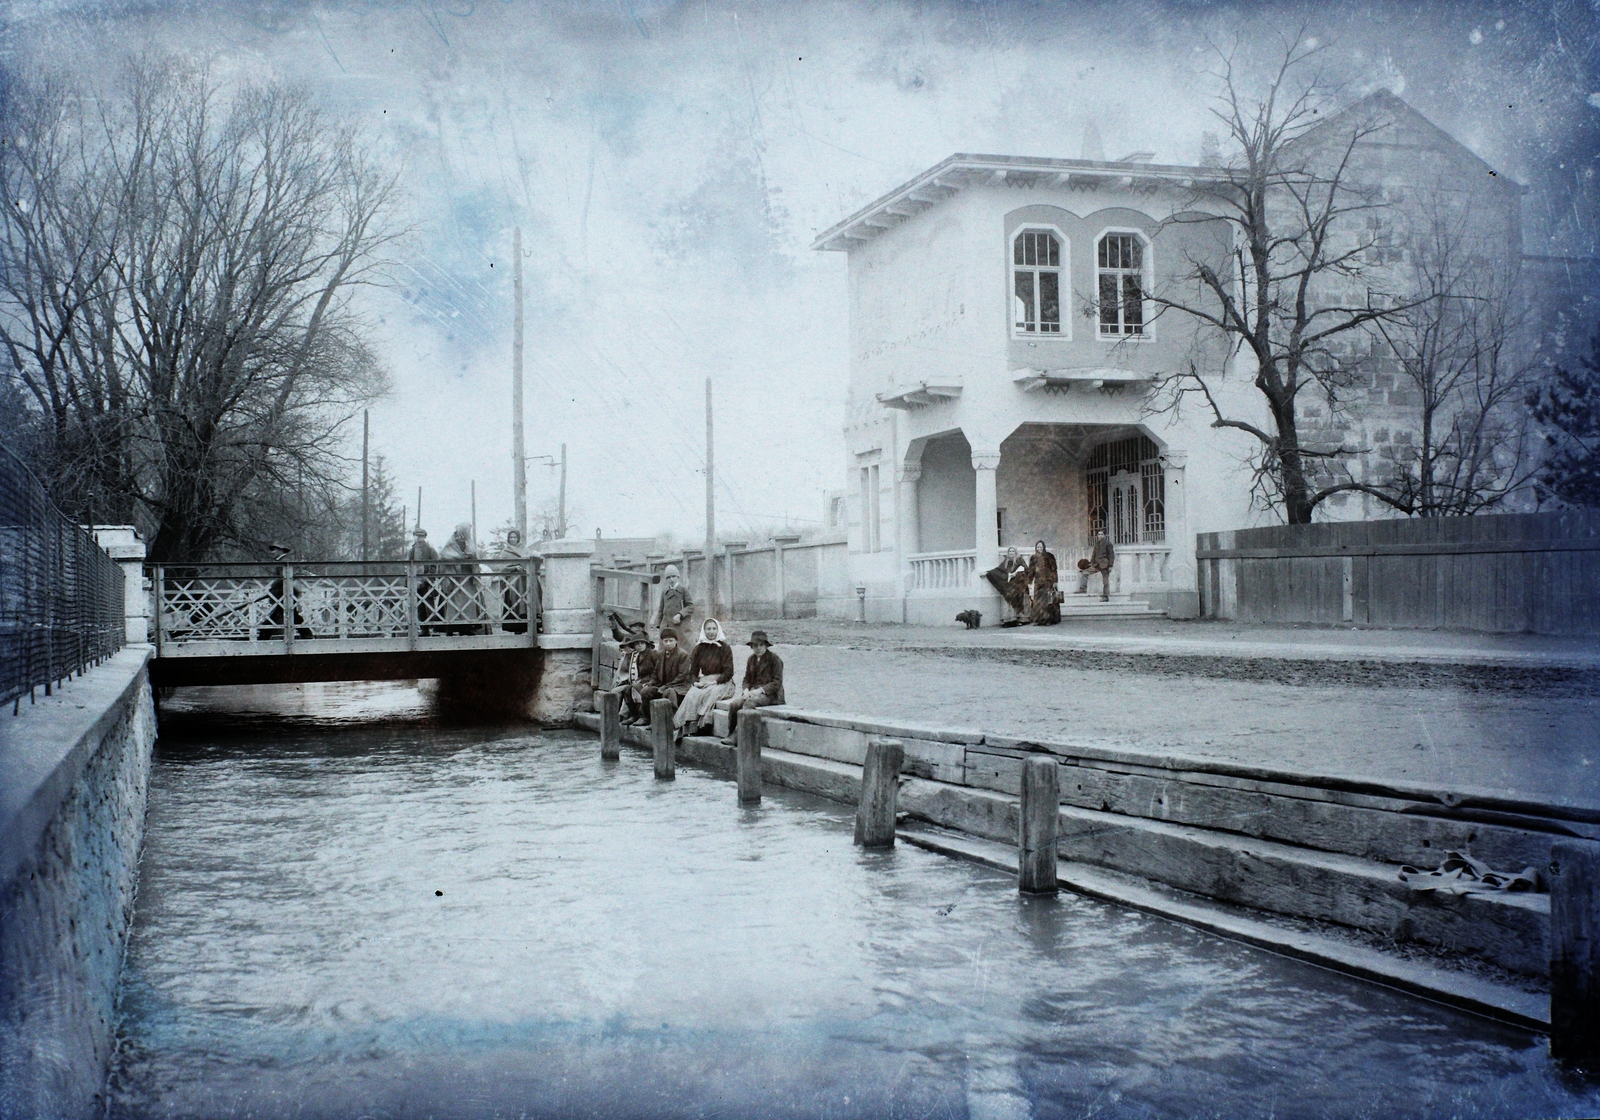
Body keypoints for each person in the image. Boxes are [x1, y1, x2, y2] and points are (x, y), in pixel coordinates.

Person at [673, 617, 735, 739]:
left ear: (718, 630)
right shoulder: (699, 648)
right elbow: (693, 672)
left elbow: (729, 672)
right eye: (708, 629)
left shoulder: (725, 648)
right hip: (705, 680)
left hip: (722, 682)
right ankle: (687, 727)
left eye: (714, 628)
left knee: (711, 693)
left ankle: (703, 726)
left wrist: (714, 682)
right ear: (704, 630)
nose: (711, 631)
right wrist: (695, 683)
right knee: (692, 694)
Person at [720, 630, 785, 745]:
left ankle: (738, 735)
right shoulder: (751, 659)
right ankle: (731, 733)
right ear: (751, 647)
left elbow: (777, 682)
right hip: (753, 691)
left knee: (749, 703)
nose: (758, 648)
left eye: (761, 645)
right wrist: (745, 690)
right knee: (734, 704)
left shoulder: (775, 659)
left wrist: (760, 690)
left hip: (771, 695)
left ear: (766, 646)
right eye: (755, 646)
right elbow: (747, 679)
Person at [438, 522, 486, 634]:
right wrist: (459, 558)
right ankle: (452, 627)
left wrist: (471, 559)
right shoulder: (452, 542)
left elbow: (474, 555)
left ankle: (467, 627)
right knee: (454, 601)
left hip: (467, 576)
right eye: (467, 530)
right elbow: (445, 555)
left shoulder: (470, 542)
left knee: (469, 601)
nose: (468, 532)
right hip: (454, 577)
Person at [639, 628, 693, 714]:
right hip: (662, 686)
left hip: (679, 687)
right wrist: (650, 683)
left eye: (671, 641)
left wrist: (667, 686)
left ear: (676, 641)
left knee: (669, 692)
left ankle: (671, 719)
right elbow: (655, 673)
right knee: (646, 691)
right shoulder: (660, 654)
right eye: (665, 641)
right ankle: (648, 718)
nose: (668, 644)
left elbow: (682, 676)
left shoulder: (683, 655)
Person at [611, 633, 657, 725]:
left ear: (646, 644)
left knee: (641, 689)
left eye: (642, 643)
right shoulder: (637, 656)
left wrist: (647, 682)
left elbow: (657, 671)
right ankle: (634, 715)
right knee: (628, 689)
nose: (639, 645)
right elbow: (640, 673)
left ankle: (644, 717)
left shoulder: (653, 654)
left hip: (654, 682)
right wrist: (639, 680)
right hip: (643, 681)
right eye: (637, 644)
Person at [984, 546, 1031, 627]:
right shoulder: (1006, 561)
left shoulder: (1020, 560)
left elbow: (1026, 571)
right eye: (1010, 551)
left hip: (1018, 585)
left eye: (1013, 551)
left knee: (1017, 595)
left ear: (1016, 552)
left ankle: (1020, 619)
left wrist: (1016, 574)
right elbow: (999, 570)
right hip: (1009, 584)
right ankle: (1008, 620)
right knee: (1006, 595)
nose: (1011, 553)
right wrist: (988, 573)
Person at [409, 527, 441, 634]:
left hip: (427, 582)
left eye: (419, 537)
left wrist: (429, 577)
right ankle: (424, 628)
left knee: (429, 605)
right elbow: (409, 565)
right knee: (419, 606)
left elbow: (435, 565)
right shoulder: (413, 550)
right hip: (416, 582)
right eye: (417, 536)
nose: (418, 539)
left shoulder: (430, 549)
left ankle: (433, 628)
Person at [652, 564, 694, 640]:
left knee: (684, 646)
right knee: (665, 646)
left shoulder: (683, 590)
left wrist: (680, 614)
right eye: (668, 577)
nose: (671, 579)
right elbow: (661, 609)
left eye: (673, 576)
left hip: (680, 624)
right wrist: (658, 624)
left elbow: (690, 606)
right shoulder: (665, 591)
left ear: (678, 577)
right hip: (666, 625)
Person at [1027, 539, 1061, 625]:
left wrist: (1055, 581)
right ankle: (1039, 620)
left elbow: (1054, 569)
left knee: (1048, 601)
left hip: (1048, 581)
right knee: (1038, 602)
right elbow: (1031, 570)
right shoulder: (1033, 557)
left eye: (1041, 547)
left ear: (1044, 547)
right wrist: (1029, 581)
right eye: (1038, 547)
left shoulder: (1049, 556)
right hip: (1038, 582)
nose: (1039, 548)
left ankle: (1048, 620)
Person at [1089, 529, 1115, 601]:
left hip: (1104, 564)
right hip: (1096, 564)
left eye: (1101, 534)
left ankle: (1106, 596)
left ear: (1104, 535)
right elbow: (1094, 554)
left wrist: (1110, 566)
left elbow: (1111, 555)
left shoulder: (1108, 544)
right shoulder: (1097, 544)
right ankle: (1082, 589)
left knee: (1105, 580)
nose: (1100, 536)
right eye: (1099, 534)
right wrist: (1091, 563)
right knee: (1085, 572)